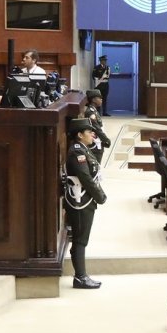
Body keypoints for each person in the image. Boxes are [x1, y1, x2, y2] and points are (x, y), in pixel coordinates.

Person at [63, 118, 108, 289]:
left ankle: (81, 275)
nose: (93, 135)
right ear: (80, 135)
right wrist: (100, 196)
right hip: (80, 200)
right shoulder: (77, 152)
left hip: (86, 198)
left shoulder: (84, 149)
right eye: (89, 132)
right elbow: (85, 178)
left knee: (81, 239)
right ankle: (80, 277)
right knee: (80, 240)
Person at [81, 89, 112, 159]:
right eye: (99, 98)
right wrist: (105, 139)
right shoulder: (90, 112)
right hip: (95, 143)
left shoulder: (94, 111)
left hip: (98, 141)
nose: (101, 99)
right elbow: (96, 128)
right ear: (93, 100)